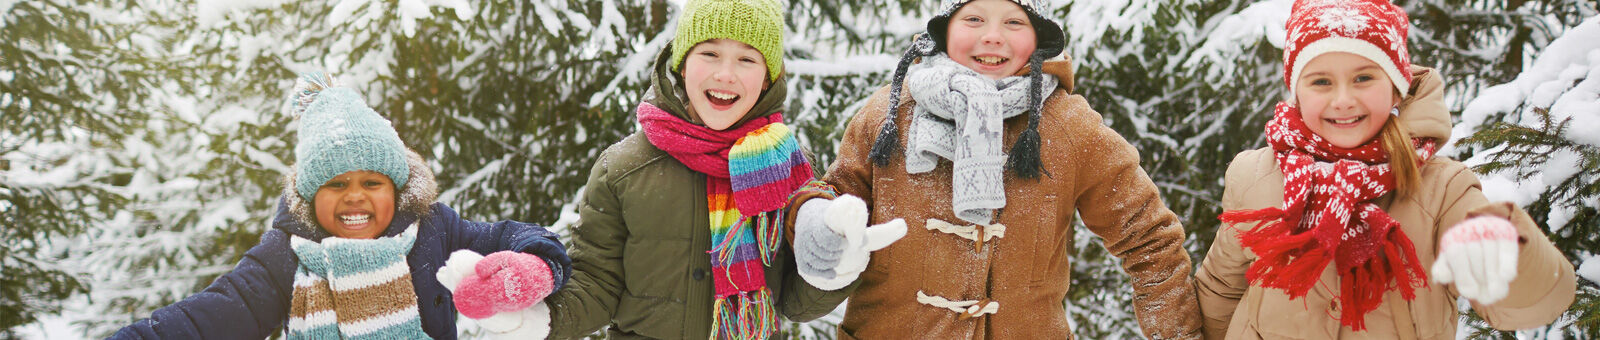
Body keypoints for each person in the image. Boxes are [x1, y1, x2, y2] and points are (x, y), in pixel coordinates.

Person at [782, 0, 1204, 338]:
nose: (993, 36)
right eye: (974, 17)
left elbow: (1147, 236)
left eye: (1014, 22)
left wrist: (1177, 334)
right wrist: (820, 218)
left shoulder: (1069, 126)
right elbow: (837, 197)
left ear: (1037, 36)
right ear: (944, 29)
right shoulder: (889, 112)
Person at [1194, 0, 1577, 338]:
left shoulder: (1442, 189)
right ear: (1297, 93)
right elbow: (1221, 288)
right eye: (1321, 81)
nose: (1343, 100)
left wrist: (1506, 252)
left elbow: (1528, 307)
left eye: (1363, 78)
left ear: (1396, 88)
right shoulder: (1256, 176)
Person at [112, 73, 571, 339]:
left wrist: (535, 267)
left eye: (372, 181)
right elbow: (213, 315)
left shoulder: (433, 230)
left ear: (397, 189)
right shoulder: (287, 254)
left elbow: (519, 237)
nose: (355, 195)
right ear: (311, 197)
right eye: (335, 184)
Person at [540, 0, 896, 338]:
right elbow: (596, 286)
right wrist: (540, 318)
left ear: (768, 78)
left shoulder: (787, 167)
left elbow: (794, 299)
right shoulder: (624, 169)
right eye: (709, 53)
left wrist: (833, 269)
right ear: (681, 63)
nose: (726, 74)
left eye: (746, 59)